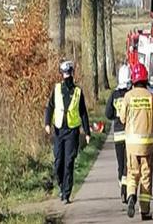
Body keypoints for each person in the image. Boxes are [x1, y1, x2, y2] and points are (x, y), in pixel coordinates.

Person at [44, 60, 91, 204]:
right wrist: (47, 123)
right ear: (61, 75)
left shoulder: (77, 92)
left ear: (72, 73)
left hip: (72, 131)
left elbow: (83, 112)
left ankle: (66, 193)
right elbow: (50, 107)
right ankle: (61, 185)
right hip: (58, 130)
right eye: (64, 74)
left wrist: (87, 132)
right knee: (58, 162)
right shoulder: (57, 89)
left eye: (68, 74)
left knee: (69, 162)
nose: (67, 77)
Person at [119, 62, 153, 220]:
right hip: (147, 145)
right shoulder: (151, 97)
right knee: (146, 176)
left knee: (132, 174)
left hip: (131, 145)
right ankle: (145, 211)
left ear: (133, 79)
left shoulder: (128, 97)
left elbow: (122, 118)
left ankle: (130, 196)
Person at [105, 63, 132, 203]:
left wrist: (116, 117)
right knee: (128, 164)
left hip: (118, 134)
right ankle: (125, 189)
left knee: (120, 163)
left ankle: (122, 187)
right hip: (130, 134)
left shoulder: (114, 95)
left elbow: (108, 113)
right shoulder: (131, 94)